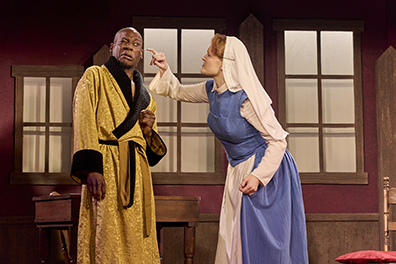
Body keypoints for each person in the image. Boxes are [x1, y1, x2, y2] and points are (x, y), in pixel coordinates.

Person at [148, 34, 308, 264]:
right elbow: (179, 91)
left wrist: (258, 177)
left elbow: (278, 141)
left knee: (257, 238)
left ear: (225, 62)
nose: (204, 57)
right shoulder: (212, 90)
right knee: (233, 234)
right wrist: (165, 69)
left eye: (210, 53)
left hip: (265, 170)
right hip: (238, 167)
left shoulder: (246, 100)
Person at [70, 27, 167, 264]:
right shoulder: (95, 77)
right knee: (106, 232)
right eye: (123, 42)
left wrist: (146, 131)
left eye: (135, 44)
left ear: (141, 53)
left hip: (138, 172)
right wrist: (93, 168)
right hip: (107, 165)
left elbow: (149, 150)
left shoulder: (147, 98)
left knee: (138, 235)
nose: (128, 47)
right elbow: (84, 119)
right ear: (112, 47)